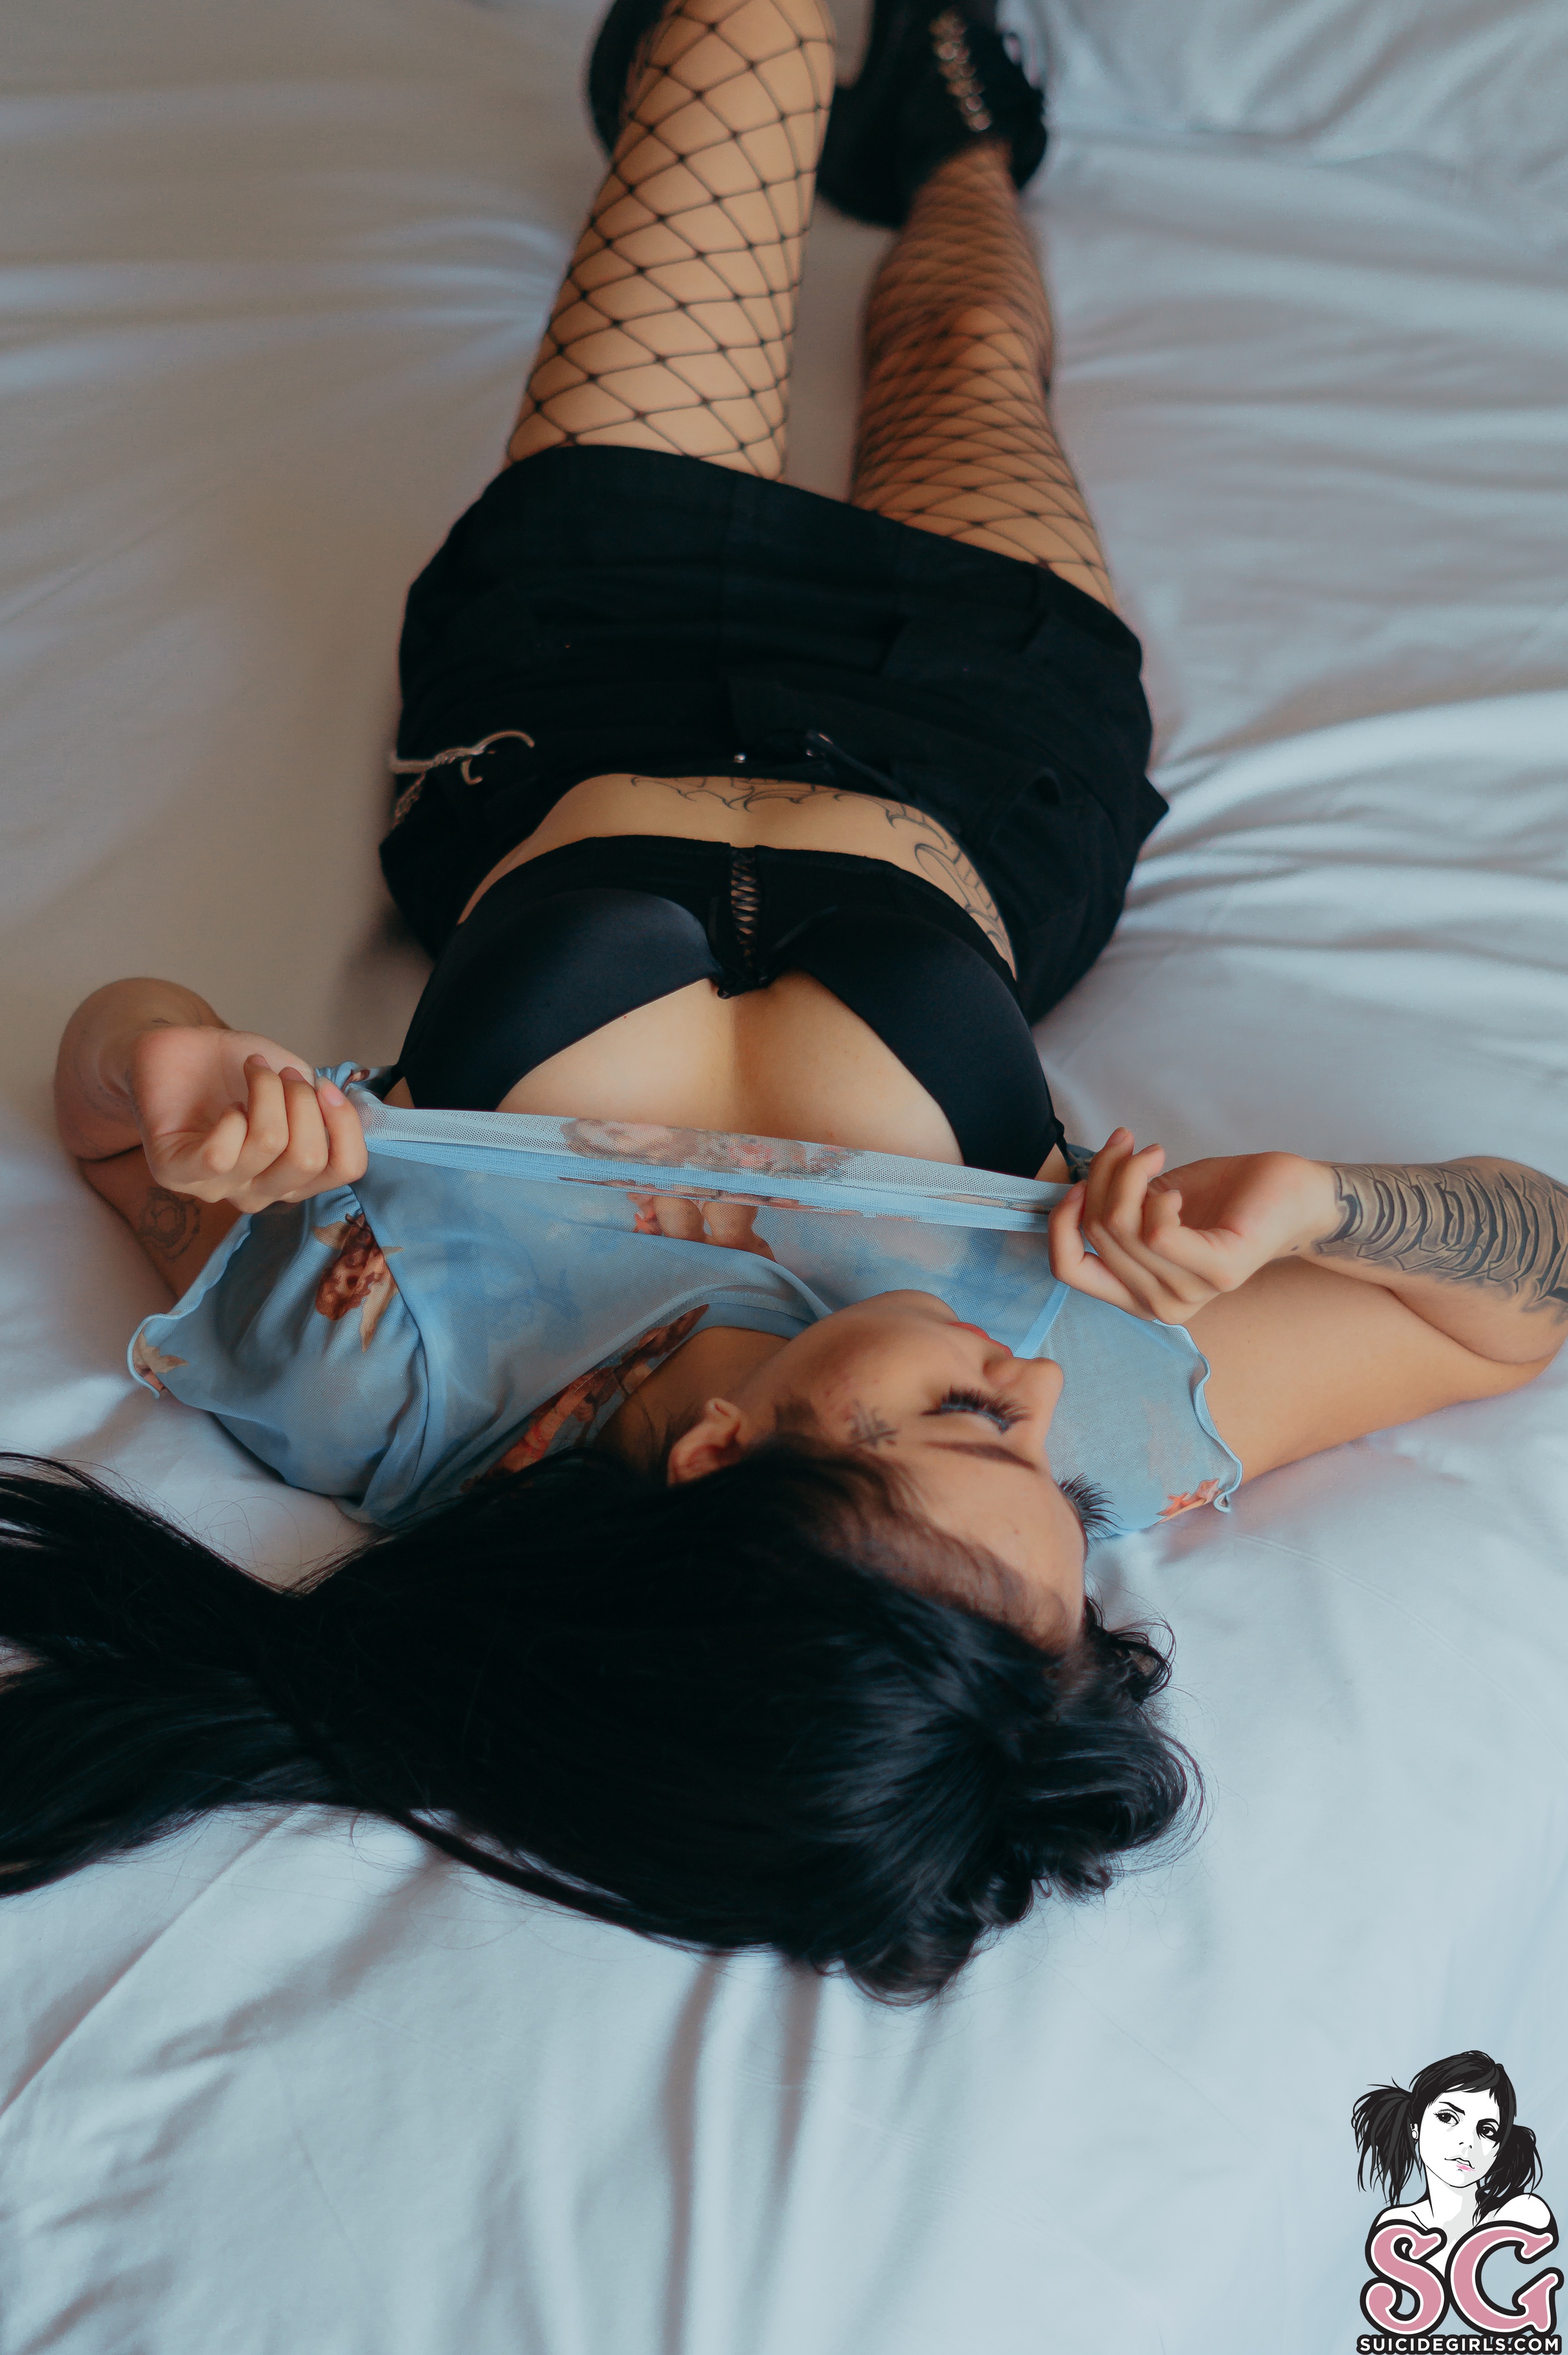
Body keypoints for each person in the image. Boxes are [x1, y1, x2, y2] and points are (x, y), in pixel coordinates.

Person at [23, 0, 1568, 1998]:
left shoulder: (376, 1378)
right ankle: (955, 122)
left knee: (736, 34)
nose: (1035, 1401)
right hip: (988, 738)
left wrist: (171, 1060)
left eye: (966, 1422)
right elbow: (1530, 1297)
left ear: (715, 1459)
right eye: (1048, 1476)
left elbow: (105, 1110)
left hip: (576, 667)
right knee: (963, 344)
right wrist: (1331, 1208)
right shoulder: (1101, 1411)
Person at [1354, 2053, 1552, 2262]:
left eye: (1487, 2130)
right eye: (1447, 2117)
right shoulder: (1397, 2227)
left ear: (1499, 2148)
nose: (1468, 2142)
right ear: (1415, 2127)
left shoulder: (1522, 2215)